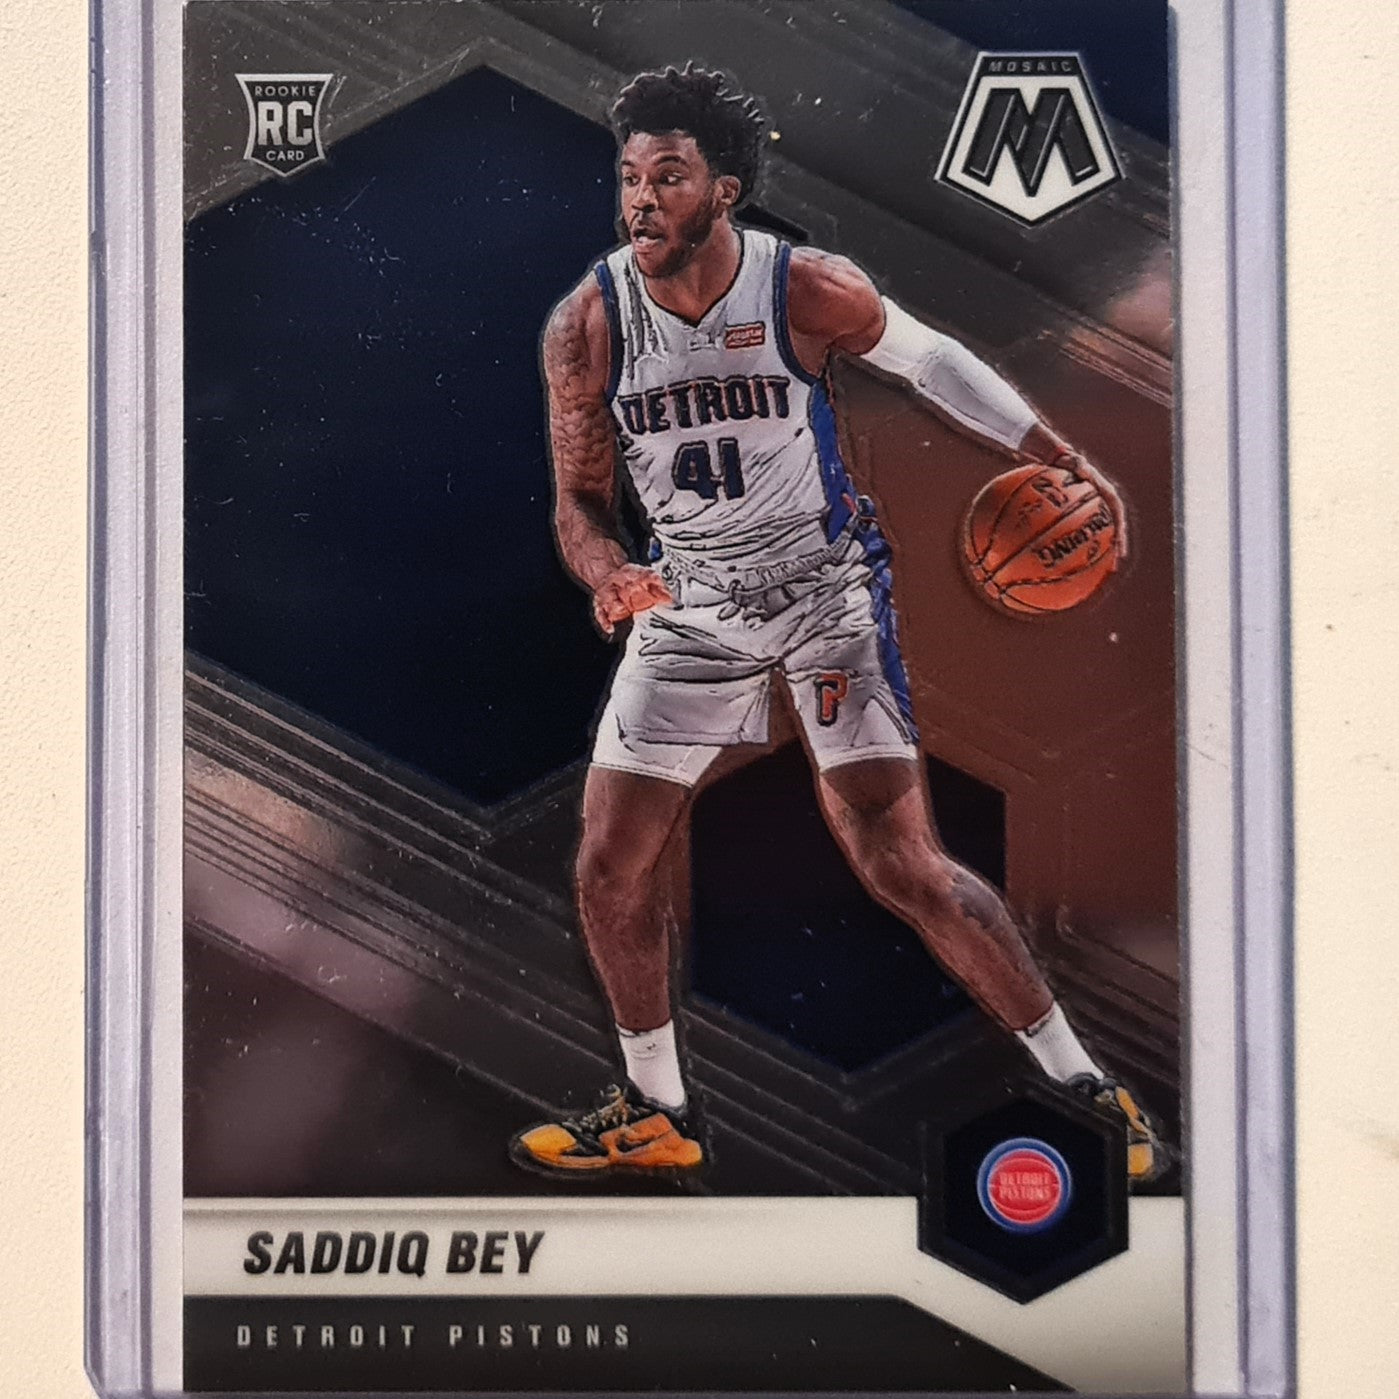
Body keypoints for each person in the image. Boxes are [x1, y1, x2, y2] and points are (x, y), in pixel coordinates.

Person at [509, 64, 1162, 1183]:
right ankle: (656, 1109)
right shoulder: (589, 323)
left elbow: (932, 363)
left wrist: (1054, 456)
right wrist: (608, 571)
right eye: (629, 178)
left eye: (668, 176)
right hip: (690, 604)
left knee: (899, 862)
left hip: (821, 593)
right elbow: (578, 495)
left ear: (724, 192)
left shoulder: (803, 288)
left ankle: (1086, 1089)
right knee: (609, 866)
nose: (641, 199)